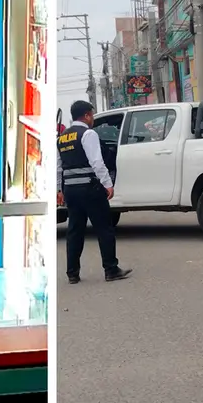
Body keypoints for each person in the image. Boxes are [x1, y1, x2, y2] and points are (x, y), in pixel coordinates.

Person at [56, 100, 132, 285]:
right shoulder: (88, 134)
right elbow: (97, 162)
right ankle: (111, 269)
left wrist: (59, 189)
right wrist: (108, 184)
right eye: (91, 114)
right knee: (104, 228)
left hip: (71, 192)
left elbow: (58, 168)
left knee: (75, 231)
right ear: (87, 115)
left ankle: (72, 273)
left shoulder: (61, 138)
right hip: (90, 189)